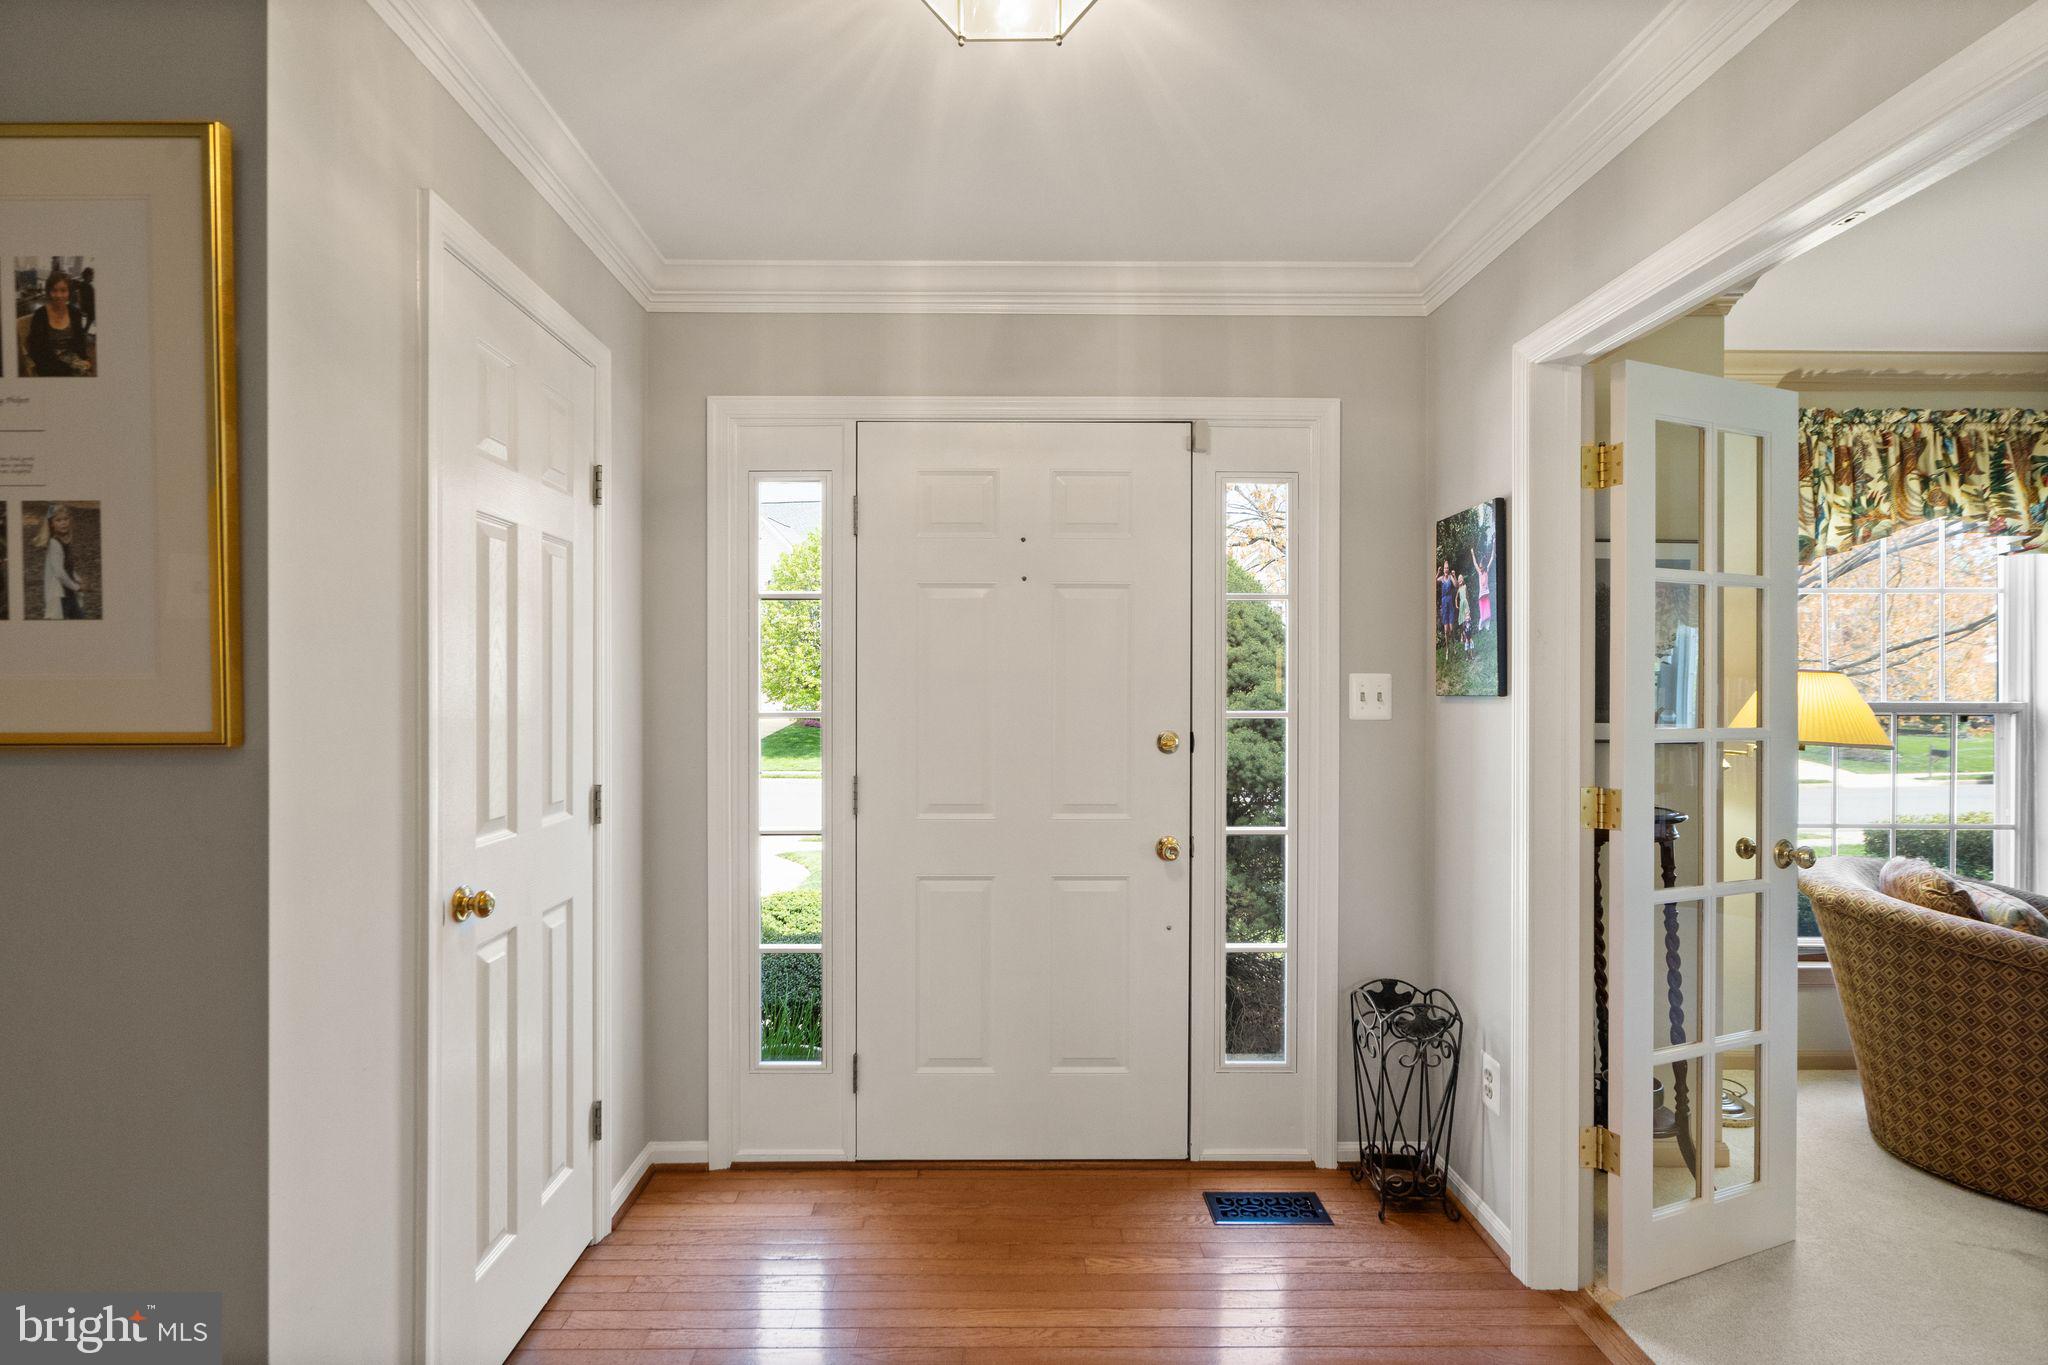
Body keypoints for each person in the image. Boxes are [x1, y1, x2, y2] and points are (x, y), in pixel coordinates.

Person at [24, 270, 94, 377]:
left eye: (63, 290)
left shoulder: (75, 313)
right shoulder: (40, 315)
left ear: (69, 292)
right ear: (48, 292)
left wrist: (85, 359)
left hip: (72, 359)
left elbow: (80, 340)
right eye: (54, 290)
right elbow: (36, 349)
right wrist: (66, 368)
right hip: (49, 364)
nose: (59, 295)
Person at [35, 504, 87, 619]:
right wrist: (77, 587)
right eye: (58, 520)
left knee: (79, 618)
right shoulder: (55, 544)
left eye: (65, 519)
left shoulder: (66, 541)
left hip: (69, 592)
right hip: (60, 594)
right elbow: (59, 573)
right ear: (52, 524)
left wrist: (77, 578)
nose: (63, 522)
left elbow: (67, 567)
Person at [1470, 546, 1492, 629]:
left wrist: (1493, 545)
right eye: (1479, 567)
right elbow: (1475, 563)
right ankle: (1482, 622)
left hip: (1486, 592)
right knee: (1482, 608)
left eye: (1481, 566)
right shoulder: (1479, 573)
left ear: (1484, 566)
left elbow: (1492, 558)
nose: (1480, 568)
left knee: (1487, 607)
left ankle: (1487, 624)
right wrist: (1472, 554)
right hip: (1481, 594)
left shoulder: (1486, 571)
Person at [75, 266, 96, 333]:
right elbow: (91, 300)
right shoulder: (89, 287)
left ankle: (84, 330)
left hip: (83, 305)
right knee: (92, 315)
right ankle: (85, 331)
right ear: (88, 276)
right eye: (92, 275)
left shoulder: (81, 284)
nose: (93, 277)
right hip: (87, 307)